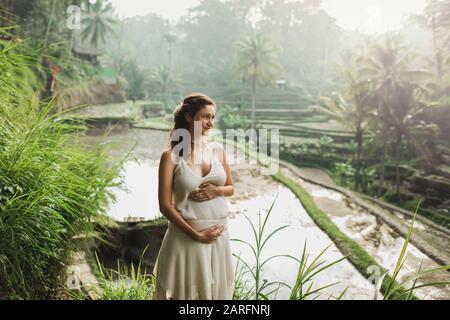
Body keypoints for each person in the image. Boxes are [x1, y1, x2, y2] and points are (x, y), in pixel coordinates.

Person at [153, 93, 236, 300]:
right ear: (189, 117)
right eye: (205, 117)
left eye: (212, 117)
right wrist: (196, 235)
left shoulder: (217, 149)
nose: (210, 123)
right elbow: (165, 205)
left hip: (219, 238)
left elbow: (231, 188)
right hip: (187, 239)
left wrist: (216, 190)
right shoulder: (171, 157)